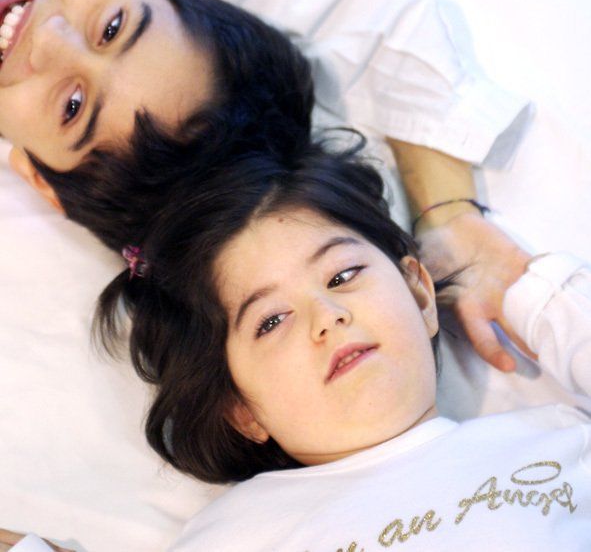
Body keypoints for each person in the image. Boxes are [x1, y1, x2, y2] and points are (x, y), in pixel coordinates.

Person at [1, 0, 532, 373]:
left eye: (73, 105)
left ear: (36, 175)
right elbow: (379, 16)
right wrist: (449, 213)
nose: (48, 37)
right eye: (112, 26)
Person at [102, 141, 591, 549]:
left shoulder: (559, 443)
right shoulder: (235, 535)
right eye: (271, 321)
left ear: (420, 296)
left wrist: (535, 292)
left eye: (342, 275)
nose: (327, 316)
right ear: (241, 410)